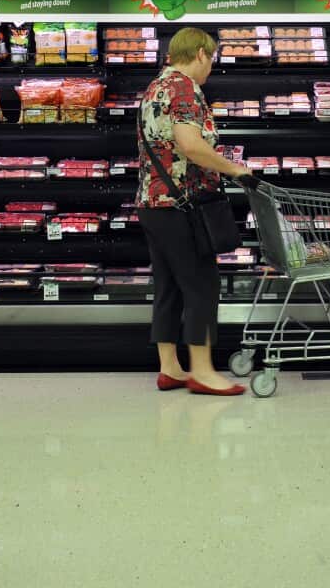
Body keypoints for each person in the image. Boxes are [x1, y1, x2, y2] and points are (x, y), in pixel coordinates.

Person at [136, 27, 251, 396]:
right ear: (200, 53)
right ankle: (202, 371)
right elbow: (190, 145)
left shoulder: (156, 86)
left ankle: (170, 367)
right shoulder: (185, 88)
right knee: (203, 284)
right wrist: (234, 169)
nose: (211, 68)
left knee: (169, 286)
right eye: (211, 59)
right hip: (182, 205)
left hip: (153, 203)